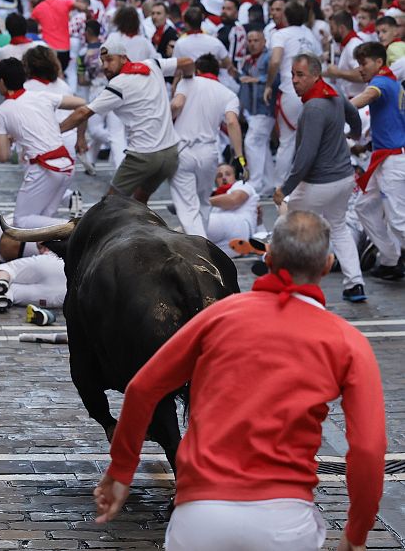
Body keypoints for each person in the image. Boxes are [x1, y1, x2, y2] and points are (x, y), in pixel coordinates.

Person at [95, 210, 386, 551]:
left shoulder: (220, 316)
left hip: (201, 515)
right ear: (327, 265)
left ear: (268, 257)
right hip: (285, 520)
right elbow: (368, 449)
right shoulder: (348, 342)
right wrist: (357, 531)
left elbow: (143, 389)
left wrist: (122, 469)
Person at [272, 54, 367, 303]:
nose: (294, 80)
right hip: (344, 179)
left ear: (315, 75)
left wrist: (285, 188)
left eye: (300, 75)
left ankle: (273, 271)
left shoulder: (313, 107)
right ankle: (355, 283)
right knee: (338, 228)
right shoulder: (331, 91)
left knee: (288, 222)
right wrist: (353, 137)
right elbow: (353, 115)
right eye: (292, 74)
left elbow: (306, 156)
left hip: (320, 183)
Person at [60, 36, 193, 204]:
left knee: (109, 205)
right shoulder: (152, 65)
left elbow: (82, 113)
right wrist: (186, 82)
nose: (105, 66)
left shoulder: (118, 85)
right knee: (140, 200)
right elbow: (188, 62)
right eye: (103, 61)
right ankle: (140, 228)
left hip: (143, 156)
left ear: (123, 57)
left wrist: (56, 131)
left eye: (110, 60)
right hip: (171, 153)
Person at [0, 57, 86, 220]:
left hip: (43, 169)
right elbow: (82, 103)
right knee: (44, 220)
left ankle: (74, 229)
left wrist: (8, 136)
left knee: (21, 221)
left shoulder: (0, 113)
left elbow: (3, 156)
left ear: (3, 82)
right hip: (65, 164)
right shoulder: (42, 96)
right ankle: (64, 235)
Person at [169, 54, 245, 238]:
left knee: (187, 206)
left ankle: (197, 247)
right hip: (209, 153)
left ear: (198, 71)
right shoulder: (228, 94)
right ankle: (198, 244)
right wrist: (239, 157)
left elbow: (177, 105)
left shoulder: (187, 83)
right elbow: (232, 122)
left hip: (183, 150)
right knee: (203, 203)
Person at [350, 41, 405, 279]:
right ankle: (391, 259)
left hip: (393, 161)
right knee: (363, 206)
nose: (360, 69)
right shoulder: (392, 81)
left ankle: (393, 258)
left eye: (364, 63)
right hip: (385, 158)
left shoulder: (380, 82)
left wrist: (337, 107)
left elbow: (367, 97)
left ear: (379, 63)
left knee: (398, 220)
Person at [263, 0, 322, 185]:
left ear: (286, 16)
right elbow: (320, 59)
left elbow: (275, 61)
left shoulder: (281, 34)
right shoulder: (310, 33)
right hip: (314, 89)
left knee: (287, 141)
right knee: (311, 139)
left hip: (291, 89)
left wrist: (268, 84)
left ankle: (281, 185)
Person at [0, 250, 66, 313]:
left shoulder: (47, 254)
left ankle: (2, 282)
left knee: (8, 268)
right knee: (14, 291)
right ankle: (2, 296)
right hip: (65, 295)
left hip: (53, 262)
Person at [239, 30, 276, 195]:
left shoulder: (269, 58)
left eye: (256, 40)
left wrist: (258, 80)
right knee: (262, 145)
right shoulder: (248, 61)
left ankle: (256, 182)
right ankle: (268, 183)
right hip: (253, 109)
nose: (252, 43)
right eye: (250, 40)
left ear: (264, 42)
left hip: (265, 107)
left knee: (252, 142)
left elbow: (278, 78)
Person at [29, 0, 87, 71]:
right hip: (65, 49)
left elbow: (31, 25)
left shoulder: (38, 8)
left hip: (48, 50)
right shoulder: (65, 2)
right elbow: (83, 7)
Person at [206, 164, 259, 256]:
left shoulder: (242, 185)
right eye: (219, 176)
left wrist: (201, 202)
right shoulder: (214, 200)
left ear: (235, 176)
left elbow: (234, 200)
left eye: (228, 174)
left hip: (241, 226)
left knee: (198, 223)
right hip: (229, 240)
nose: (224, 178)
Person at [326, 11, 366, 99]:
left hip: (357, 101)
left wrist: (338, 73)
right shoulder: (349, 45)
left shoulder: (354, 45)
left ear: (341, 28)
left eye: (332, 28)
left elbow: (362, 75)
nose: (331, 33)